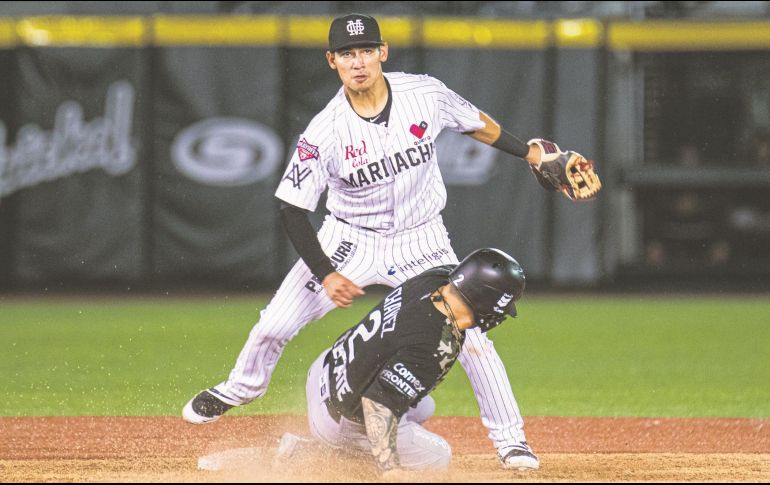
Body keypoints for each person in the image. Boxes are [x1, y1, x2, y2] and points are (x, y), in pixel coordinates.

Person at [183, 13, 584, 470]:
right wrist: (326, 273)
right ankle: (241, 387)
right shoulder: (324, 132)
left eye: (367, 50)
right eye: (348, 54)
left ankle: (511, 440)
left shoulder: (424, 94)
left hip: (422, 240)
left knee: (470, 335)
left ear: (383, 52)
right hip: (348, 240)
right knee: (274, 324)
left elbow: (474, 122)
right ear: (332, 61)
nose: (359, 62)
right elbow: (291, 209)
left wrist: (531, 153)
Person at [280, 248, 533, 474]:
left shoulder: (435, 280)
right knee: (438, 457)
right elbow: (377, 405)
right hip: (338, 423)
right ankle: (318, 456)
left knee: (424, 407)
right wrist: (390, 469)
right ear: (485, 301)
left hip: (324, 373)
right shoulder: (434, 345)